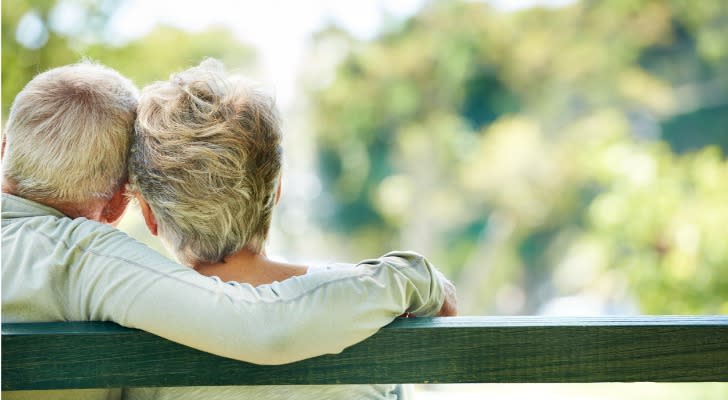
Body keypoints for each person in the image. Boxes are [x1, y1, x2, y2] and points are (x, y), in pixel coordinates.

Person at [1, 61, 456, 400]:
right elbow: (265, 325)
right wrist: (407, 276)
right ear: (276, 190)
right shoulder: (81, 259)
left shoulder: (138, 354)